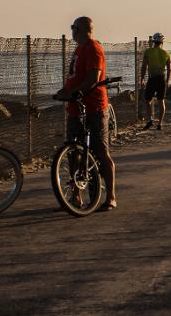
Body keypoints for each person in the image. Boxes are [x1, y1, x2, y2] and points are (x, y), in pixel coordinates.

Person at [54, 16, 116, 211]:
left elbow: (92, 78)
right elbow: (75, 76)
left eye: (74, 28)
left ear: (83, 29)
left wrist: (73, 93)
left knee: (100, 151)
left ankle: (111, 196)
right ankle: (76, 197)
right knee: (74, 153)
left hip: (94, 108)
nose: (72, 31)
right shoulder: (79, 49)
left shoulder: (93, 49)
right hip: (75, 108)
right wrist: (64, 93)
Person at [140, 33, 171, 130]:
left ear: (153, 41)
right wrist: (167, 80)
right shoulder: (166, 53)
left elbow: (144, 66)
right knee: (161, 101)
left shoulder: (148, 51)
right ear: (162, 42)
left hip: (152, 78)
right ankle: (160, 123)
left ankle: (150, 120)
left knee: (147, 101)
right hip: (161, 78)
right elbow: (169, 69)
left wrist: (142, 79)